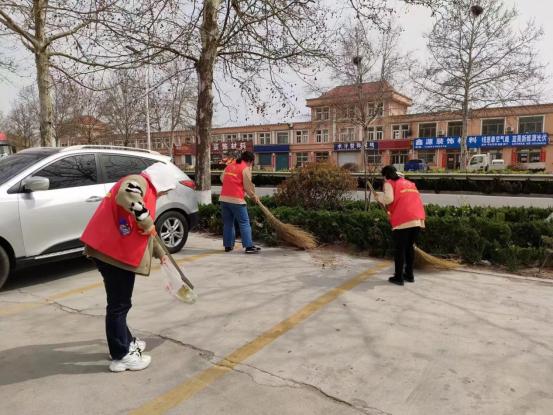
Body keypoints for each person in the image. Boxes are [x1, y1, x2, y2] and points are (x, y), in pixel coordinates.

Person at [81, 162, 176, 372]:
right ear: (160, 181)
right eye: (166, 190)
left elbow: (148, 232)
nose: (164, 194)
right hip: (113, 253)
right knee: (119, 305)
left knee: (119, 303)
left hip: (112, 251)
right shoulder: (138, 182)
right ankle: (121, 355)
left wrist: (162, 255)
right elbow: (128, 198)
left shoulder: (145, 188)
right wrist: (146, 221)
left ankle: (126, 341)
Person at [375, 165, 426, 286]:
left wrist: (378, 197)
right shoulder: (409, 183)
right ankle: (409, 274)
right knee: (409, 247)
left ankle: (398, 277)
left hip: (404, 220)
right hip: (418, 218)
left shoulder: (389, 183)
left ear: (385, 175)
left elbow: (388, 199)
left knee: (400, 249)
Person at [220, 151, 261, 254]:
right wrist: (254, 196)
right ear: (250, 161)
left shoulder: (229, 166)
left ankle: (228, 246)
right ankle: (248, 246)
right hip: (236, 200)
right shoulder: (245, 168)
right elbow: (248, 186)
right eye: (252, 163)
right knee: (244, 223)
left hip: (224, 199)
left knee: (228, 223)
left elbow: (222, 178)